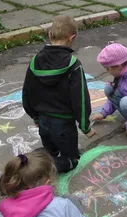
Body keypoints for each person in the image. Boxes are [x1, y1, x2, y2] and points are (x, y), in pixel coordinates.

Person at [22, 15, 95, 174]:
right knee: (71, 159)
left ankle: (41, 160)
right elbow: (80, 100)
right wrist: (85, 127)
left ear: (49, 34)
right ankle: (42, 169)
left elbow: (27, 92)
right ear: (72, 38)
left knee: (51, 152)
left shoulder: (35, 61)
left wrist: (35, 116)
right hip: (64, 126)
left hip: (43, 121)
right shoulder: (73, 64)